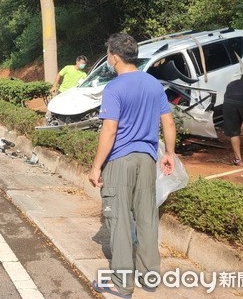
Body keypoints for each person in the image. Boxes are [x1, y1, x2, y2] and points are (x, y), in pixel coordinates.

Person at [89, 33, 176, 298]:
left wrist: (95, 166)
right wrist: (169, 153)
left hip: (120, 161)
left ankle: (121, 283)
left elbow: (110, 131)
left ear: (114, 56)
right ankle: (150, 277)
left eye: (108, 53)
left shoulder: (114, 88)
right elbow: (168, 122)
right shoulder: (153, 84)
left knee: (119, 219)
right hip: (147, 160)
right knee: (147, 218)